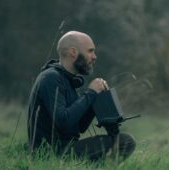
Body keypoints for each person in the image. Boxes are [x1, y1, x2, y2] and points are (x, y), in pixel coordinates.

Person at [27, 31, 136, 161]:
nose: (94, 56)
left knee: (120, 140)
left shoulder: (69, 80)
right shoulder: (51, 78)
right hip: (50, 152)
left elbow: (79, 127)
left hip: (65, 148)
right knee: (126, 142)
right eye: (90, 51)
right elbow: (63, 121)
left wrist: (96, 100)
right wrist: (91, 93)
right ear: (73, 52)